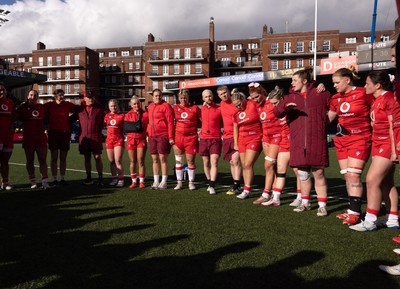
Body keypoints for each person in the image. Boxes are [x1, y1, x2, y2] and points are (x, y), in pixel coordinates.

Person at [274, 67, 331, 217]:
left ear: (304, 81)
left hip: (316, 140)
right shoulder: (289, 97)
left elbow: (335, 106)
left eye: (294, 80)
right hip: (298, 141)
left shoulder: (321, 93)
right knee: (303, 174)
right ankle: (305, 203)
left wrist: (324, 124)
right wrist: (285, 107)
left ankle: (322, 205)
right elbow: (276, 112)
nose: (292, 83)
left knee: (318, 173)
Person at [350, 70, 400, 231]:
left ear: (377, 85)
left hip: (387, 144)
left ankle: (370, 220)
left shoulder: (389, 99)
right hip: (378, 144)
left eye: (367, 83)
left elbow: (394, 126)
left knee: (372, 180)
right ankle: (392, 219)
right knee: (387, 182)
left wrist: (394, 150)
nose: (364, 86)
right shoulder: (376, 99)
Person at [328, 67, 374, 225]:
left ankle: (356, 213)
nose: (334, 85)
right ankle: (352, 209)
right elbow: (328, 119)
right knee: (348, 175)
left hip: (360, 138)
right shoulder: (335, 98)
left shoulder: (364, 93)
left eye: (336, 82)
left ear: (347, 80)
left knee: (354, 175)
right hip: (341, 141)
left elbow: (377, 110)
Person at [16, 90, 50, 189]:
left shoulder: (42, 107)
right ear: (28, 96)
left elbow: (47, 120)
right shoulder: (23, 107)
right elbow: (16, 117)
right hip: (28, 137)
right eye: (31, 95)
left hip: (40, 137)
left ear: (37, 97)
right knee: (29, 160)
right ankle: (33, 181)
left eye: (35, 95)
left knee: (42, 160)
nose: (33, 97)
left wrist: (46, 129)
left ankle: (45, 181)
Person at [231, 91, 262, 199]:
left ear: (244, 99)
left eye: (239, 104)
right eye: (236, 106)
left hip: (255, 137)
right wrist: (235, 143)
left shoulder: (253, 104)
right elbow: (235, 128)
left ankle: (247, 190)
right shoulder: (236, 113)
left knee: (248, 164)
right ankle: (246, 188)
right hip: (242, 140)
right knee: (244, 165)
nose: (238, 107)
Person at [44, 89, 77, 186]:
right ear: (55, 96)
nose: (62, 97)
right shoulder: (49, 105)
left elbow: (79, 109)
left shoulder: (68, 104)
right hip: (53, 133)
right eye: (60, 95)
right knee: (54, 157)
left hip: (65, 133)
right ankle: (54, 178)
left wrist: (71, 119)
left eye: (63, 95)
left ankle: (62, 178)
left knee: (63, 157)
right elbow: (39, 109)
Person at [173, 89, 201, 190]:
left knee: (190, 161)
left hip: (191, 138)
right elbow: (171, 123)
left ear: (188, 97)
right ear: (178, 98)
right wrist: (171, 138)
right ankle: (179, 183)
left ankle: (191, 182)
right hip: (178, 138)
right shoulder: (175, 108)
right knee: (179, 161)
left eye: (185, 97)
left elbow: (202, 120)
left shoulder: (195, 108)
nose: (183, 99)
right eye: (181, 98)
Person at [147, 88, 175, 190]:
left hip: (163, 135)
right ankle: (156, 181)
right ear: (153, 96)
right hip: (152, 136)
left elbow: (170, 122)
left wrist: (171, 137)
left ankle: (164, 182)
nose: (158, 97)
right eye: (156, 96)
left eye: (159, 95)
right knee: (154, 159)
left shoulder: (166, 106)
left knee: (163, 158)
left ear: (161, 96)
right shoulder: (150, 106)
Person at [217, 85, 242, 195]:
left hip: (238, 135)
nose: (224, 95)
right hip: (227, 136)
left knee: (236, 161)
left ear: (229, 92)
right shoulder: (221, 104)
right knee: (232, 162)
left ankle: (237, 185)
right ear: (219, 96)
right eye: (221, 94)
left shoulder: (236, 102)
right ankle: (236, 183)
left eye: (225, 92)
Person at [77, 91, 105, 186]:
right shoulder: (80, 109)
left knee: (97, 157)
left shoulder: (99, 108)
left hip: (95, 136)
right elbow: (69, 119)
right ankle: (88, 177)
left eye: (92, 97)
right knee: (87, 158)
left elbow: (108, 117)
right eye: (88, 97)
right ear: (84, 98)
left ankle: (100, 178)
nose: (90, 99)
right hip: (84, 137)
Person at [200, 89, 222, 195]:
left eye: (210, 96)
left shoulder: (219, 108)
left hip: (216, 138)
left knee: (214, 161)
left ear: (213, 96)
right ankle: (209, 182)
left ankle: (212, 185)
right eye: (206, 97)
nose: (208, 98)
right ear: (203, 98)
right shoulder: (200, 109)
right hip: (204, 139)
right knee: (206, 162)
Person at [125, 95, 149, 189]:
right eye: (134, 104)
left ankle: (142, 181)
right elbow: (127, 128)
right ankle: (134, 181)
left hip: (141, 139)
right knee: (132, 161)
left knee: (141, 160)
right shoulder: (127, 115)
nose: (136, 105)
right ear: (131, 105)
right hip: (131, 140)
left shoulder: (145, 114)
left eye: (138, 103)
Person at [105, 99, 125, 187]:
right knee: (111, 161)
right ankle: (114, 178)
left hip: (118, 140)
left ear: (117, 106)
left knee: (117, 160)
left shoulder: (122, 116)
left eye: (115, 105)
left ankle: (121, 179)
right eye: (111, 106)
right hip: (109, 140)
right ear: (109, 107)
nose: (113, 107)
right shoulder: (106, 116)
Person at [0, 84, 15, 190]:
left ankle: (5, 183)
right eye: (0, 90)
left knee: (5, 160)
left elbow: (13, 117)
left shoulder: (10, 102)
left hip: (8, 135)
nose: (2, 92)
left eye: (3, 90)